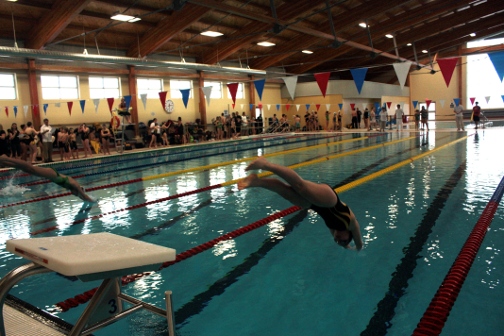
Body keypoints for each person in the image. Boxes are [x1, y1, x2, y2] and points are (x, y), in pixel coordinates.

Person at [238, 157, 363, 250]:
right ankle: (266, 165)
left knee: (285, 192)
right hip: (330, 200)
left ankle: (256, 181)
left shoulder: (334, 229)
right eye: (342, 240)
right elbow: (358, 240)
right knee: (300, 186)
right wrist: (358, 248)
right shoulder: (351, 224)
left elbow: (342, 241)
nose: (338, 239)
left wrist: (346, 246)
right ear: (349, 234)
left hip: (315, 206)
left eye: (337, 241)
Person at [0, 155, 95, 202]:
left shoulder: (71, 187)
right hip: (52, 174)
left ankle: (5, 162)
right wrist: (93, 201)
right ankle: (6, 159)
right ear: (79, 190)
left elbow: (81, 196)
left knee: (27, 169)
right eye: (76, 194)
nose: (73, 194)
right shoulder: (76, 186)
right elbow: (85, 197)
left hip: (51, 175)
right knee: (30, 168)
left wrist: (81, 196)